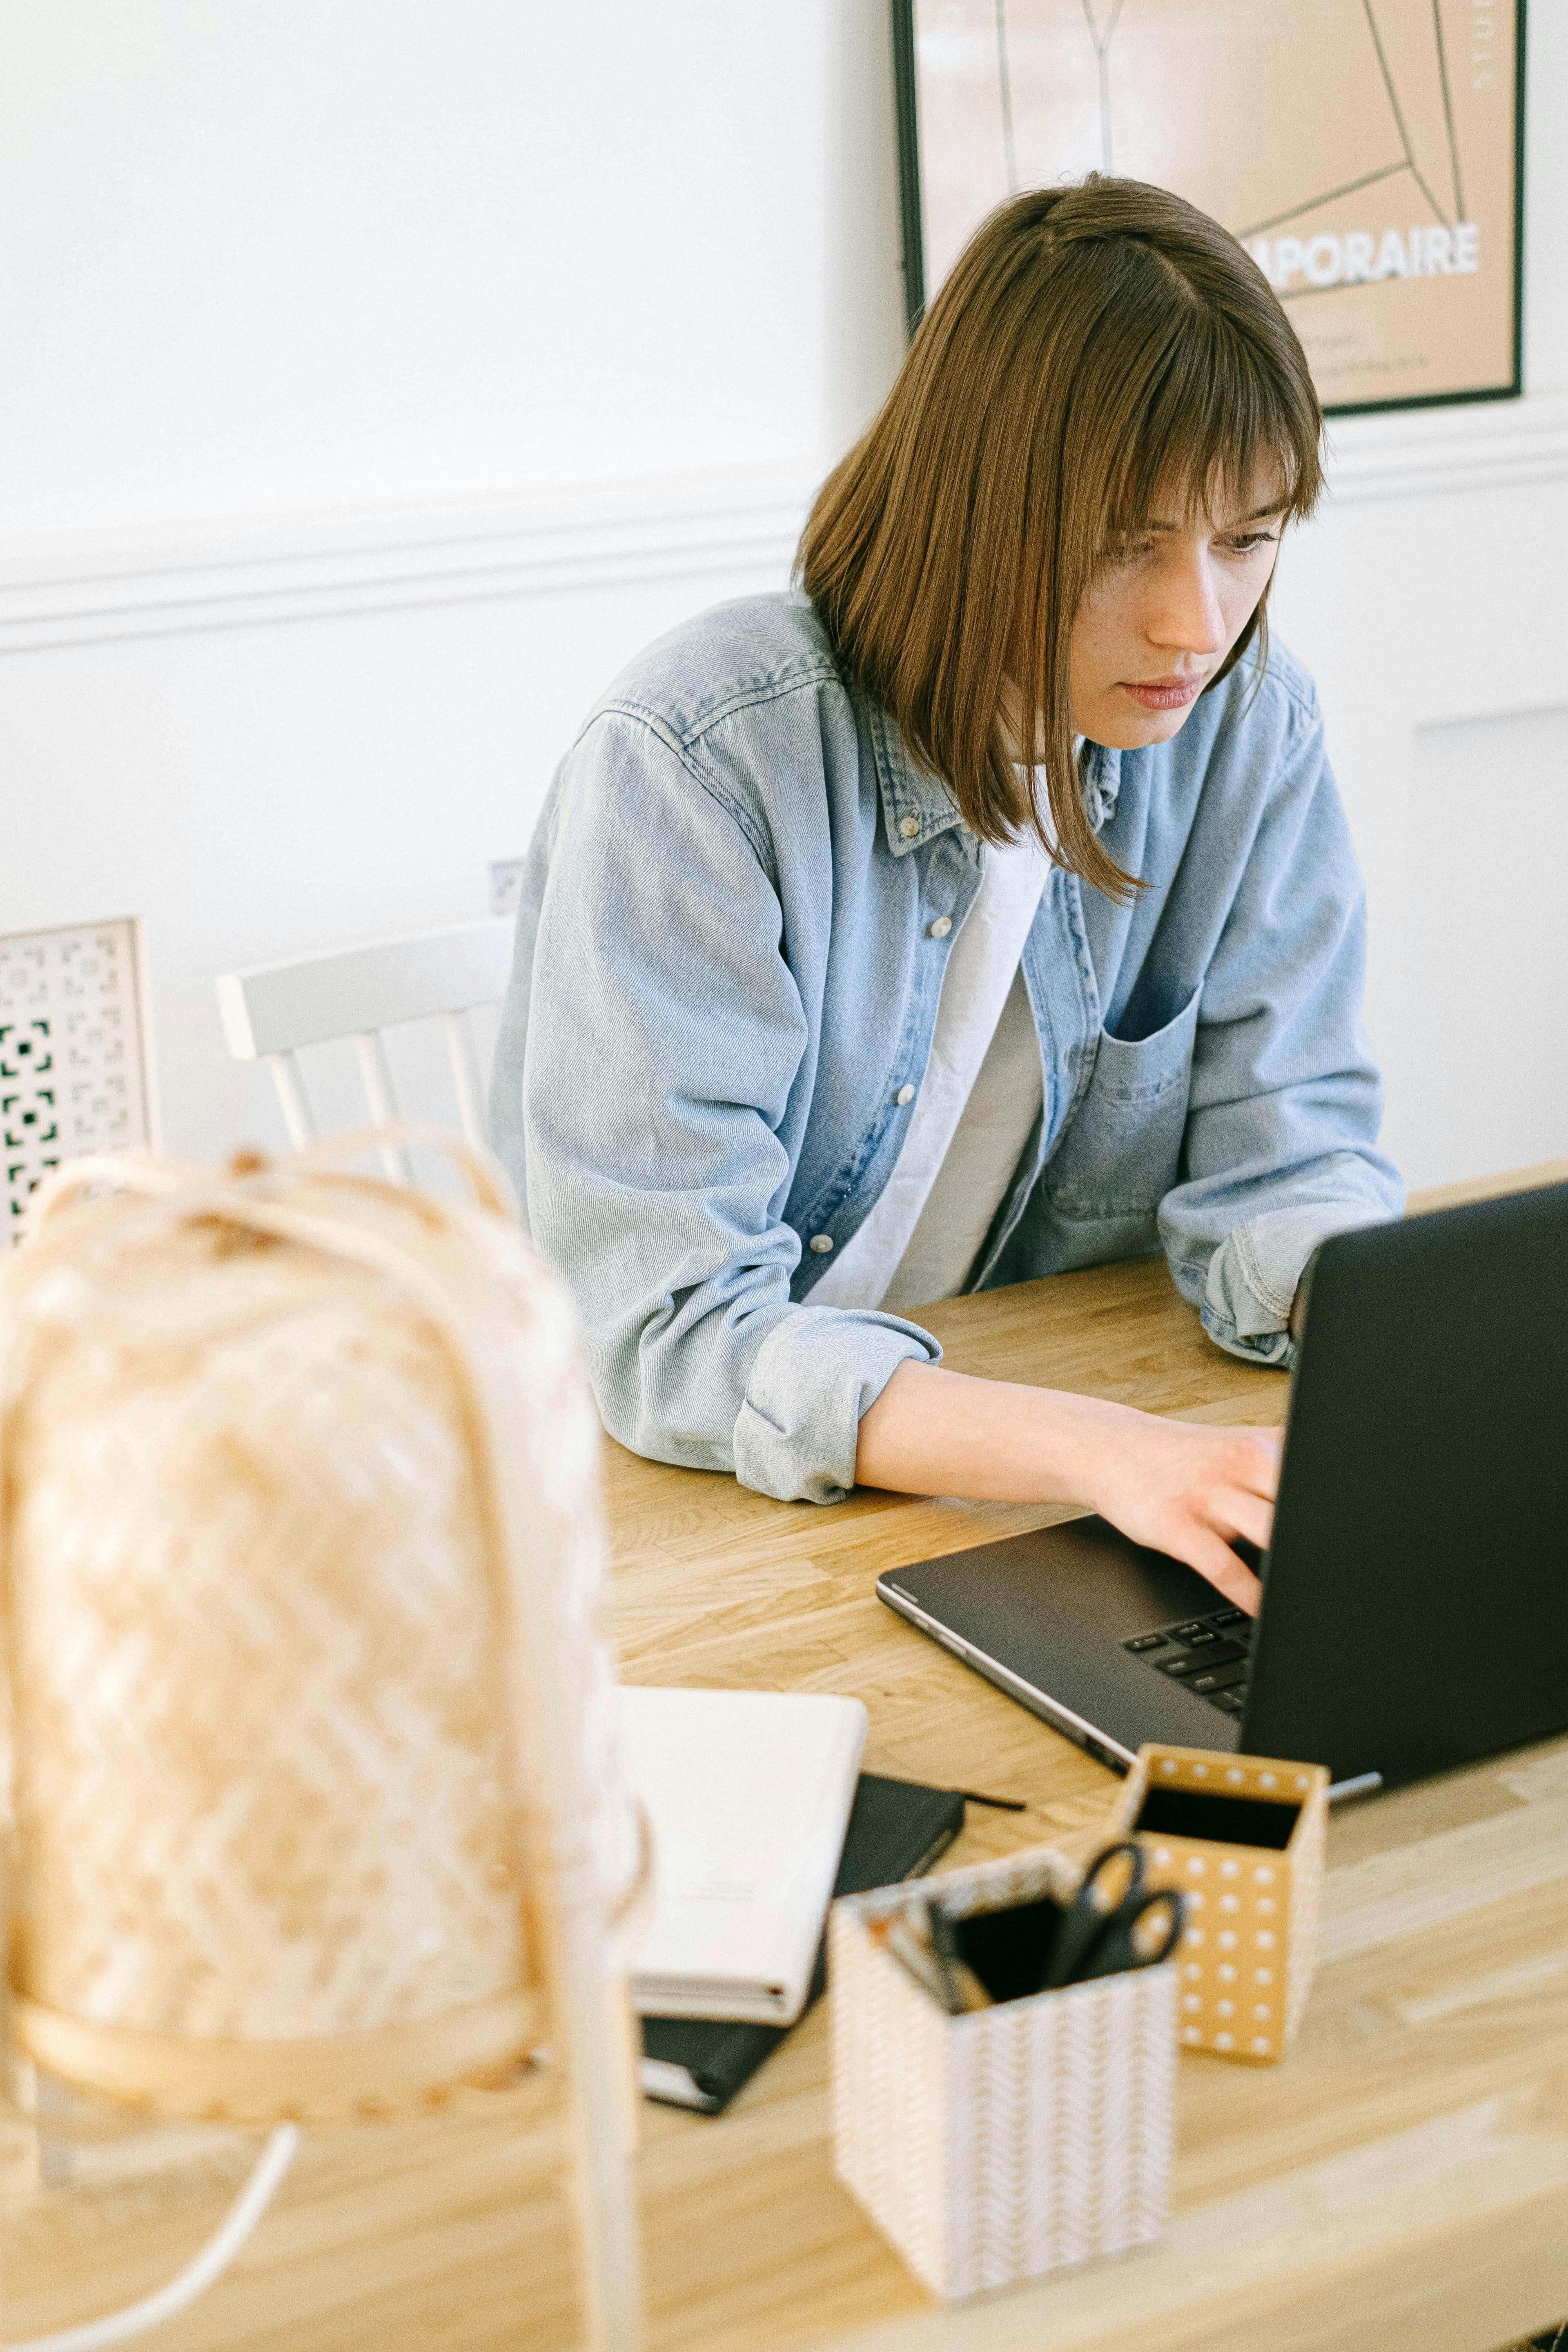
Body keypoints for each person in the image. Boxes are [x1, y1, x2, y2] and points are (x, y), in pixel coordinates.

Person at [491, 176, 1403, 1613]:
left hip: (1000, 1484)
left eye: (1248, 538)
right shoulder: (701, 762)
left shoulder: (1248, 730)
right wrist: (1111, 1455)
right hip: (677, 1519)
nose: (1198, 624)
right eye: (1128, 543)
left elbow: (1285, 1166)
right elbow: (671, 1330)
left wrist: (1401, 1332)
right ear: (975, 505)